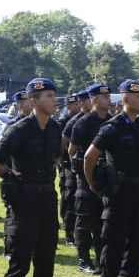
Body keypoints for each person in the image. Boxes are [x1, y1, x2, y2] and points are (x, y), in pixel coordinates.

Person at [0, 77, 73, 277]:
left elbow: (58, 157)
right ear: (33, 101)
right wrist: (14, 179)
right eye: (47, 96)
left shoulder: (55, 128)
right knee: (19, 263)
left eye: (54, 95)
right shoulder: (19, 129)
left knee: (46, 259)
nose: (53, 100)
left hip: (47, 199)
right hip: (23, 203)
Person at [83, 80, 139, 277]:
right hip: (117, 192)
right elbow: (89, 157)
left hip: (136, 190)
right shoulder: (113, 126)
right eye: (136, 96)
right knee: (114, 241)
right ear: (124, 99)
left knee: (136, 238)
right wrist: (93, 183)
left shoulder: (137, 125)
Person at [69, 83, 112, 274]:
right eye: (103, 97)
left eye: (108, 96)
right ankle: (83, 259)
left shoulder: (111, 120)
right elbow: (72, 151)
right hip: (86, 179)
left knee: (103, 221)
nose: (108, 100)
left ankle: (102, 258)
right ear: (94, 99)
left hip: (106, 178)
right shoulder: (83, 123)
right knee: (85, 220)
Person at [57, 94, 80, 245]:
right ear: (68, 106)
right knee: (68, 195)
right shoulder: (64, 121)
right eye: (73, 104)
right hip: (66, 163)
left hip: (78, 165)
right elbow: (60, 143)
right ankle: (68, 230)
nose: (77, 106)